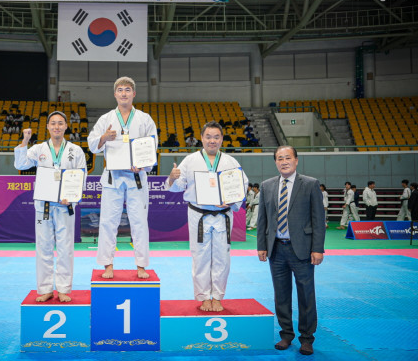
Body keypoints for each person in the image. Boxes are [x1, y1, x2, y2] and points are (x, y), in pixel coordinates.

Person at [166, 121, 248, 312]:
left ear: (222, 139)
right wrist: (171, 177)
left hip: (223, 214)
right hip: (198, 214)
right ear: (201, 138)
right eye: (208, 137)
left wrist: (231, 201)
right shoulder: (190, 160)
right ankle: (203, 297)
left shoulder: (231, 162)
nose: (212, 141)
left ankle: (217, 297)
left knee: (222, 257)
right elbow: (177, 186)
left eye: (216, 137)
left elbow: (241, 186)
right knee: (200, 256)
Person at [256, 145, 326, 356]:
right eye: (280, 158)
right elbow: (262, 219)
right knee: (281, 295)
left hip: (302, 249)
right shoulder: (267, 186)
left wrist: (318, 248)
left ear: (296, 160)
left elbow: (318, 219)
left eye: (288, 157)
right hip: (276, 249)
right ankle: (286, 334)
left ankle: (307, 338)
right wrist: (262, 246)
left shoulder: (310, 184)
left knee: (306, 295)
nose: (284, 161)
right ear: (275, 162)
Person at [87, 76, 157, 279]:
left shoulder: (144, 119)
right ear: (115, 94)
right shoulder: (106, 119)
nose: (124, 93)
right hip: (113, 178)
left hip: (137, 177)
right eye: (120, 90)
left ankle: (141, 265)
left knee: (139, 222)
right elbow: (92, 144)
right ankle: (108, 265)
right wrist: (104, 138)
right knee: (108, 222)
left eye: (127, 89)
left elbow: (152, 144)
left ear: (134, 94)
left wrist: (144, 164)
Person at [14, 111, 87, 302]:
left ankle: (63, 289)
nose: (56, 126)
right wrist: (25, 141)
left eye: (60, 123)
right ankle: (45, 289)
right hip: (44, 205)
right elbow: (20, 164)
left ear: (66, 126)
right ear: (47, 126)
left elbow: (81, 176)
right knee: (43, 247)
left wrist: (72, 196)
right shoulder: (39, 149)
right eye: (53, 123)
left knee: (65, 248)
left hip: (65, 206)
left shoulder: (75, 150)